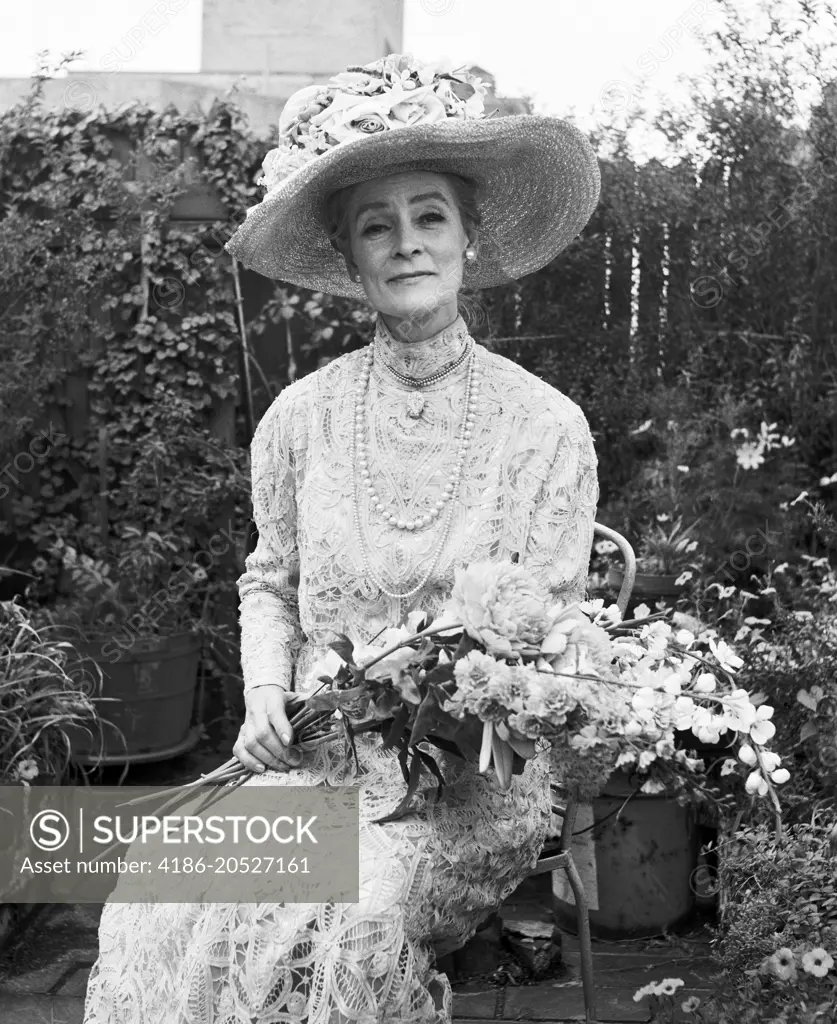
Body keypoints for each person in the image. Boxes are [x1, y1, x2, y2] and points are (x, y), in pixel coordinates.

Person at [82, 52, 601, 1024]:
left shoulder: (546, 428)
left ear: (470, 237)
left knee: (333, 921)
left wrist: (452, 690)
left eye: (429, 216)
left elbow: (546, 648)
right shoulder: (299, 418)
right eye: (377, 224)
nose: (406, 244)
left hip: (462, 789)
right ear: (351, 255)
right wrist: (267, 693)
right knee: (158, 891)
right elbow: (268, 580)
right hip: (312, 761)